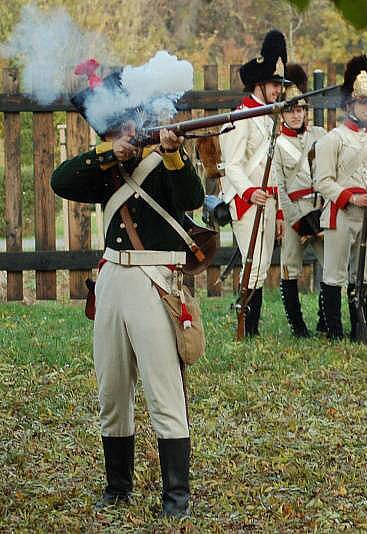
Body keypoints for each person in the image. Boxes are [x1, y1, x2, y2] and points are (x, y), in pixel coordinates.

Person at [51, 70, 204, 517]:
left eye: (126, 125)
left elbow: (191, 197)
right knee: (112, 389)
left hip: (154, 279)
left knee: (163, 388)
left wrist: (174, 155)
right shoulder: (105, 166)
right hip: (112, 280)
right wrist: (106, 154)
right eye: (114, 129)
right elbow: (63, 181)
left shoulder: (163, 157)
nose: (126, 133)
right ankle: (118, 487)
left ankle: (176, 497)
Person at [314, 55, 367, 340]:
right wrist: (351, 198)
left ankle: (359, 327)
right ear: (349, 105)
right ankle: (334, 330)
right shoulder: (332, 139)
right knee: (334, 273)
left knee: (361, 275)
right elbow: (322, 181)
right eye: (363, 102)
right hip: (341, 213)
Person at [219, 29, 289, 337]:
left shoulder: (269, 117)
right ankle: (245, 327)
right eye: (275, 84)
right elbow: (231, 166)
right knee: (254, 263)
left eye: (280, 85)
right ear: (259, 84)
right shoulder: (240, 117)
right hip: (247, 201)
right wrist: (250, 192)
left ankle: (252, 326)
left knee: (260, 266)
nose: (279, 90)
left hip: (269, 199)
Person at [274, 63, 327, 337]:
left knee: (330, 265)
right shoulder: (276, 143)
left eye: (300, 109)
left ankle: (325, 320)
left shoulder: (319, 135)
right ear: (282, 113)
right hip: (295, 211)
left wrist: (322, 213)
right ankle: (298, 326)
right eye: (290, 110)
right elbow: (280, 187)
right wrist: (296, 221)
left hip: (319, 208)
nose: (296, 115)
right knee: (290, 267)